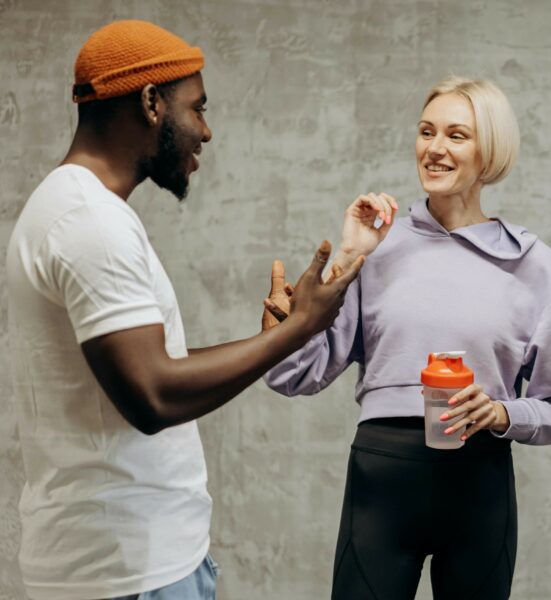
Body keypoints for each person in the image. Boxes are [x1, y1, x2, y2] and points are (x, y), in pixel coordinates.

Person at [6, 20, 361, 600]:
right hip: (127, 573)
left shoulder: (73, 207)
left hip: (123, 563)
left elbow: (145, 365)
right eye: (196, 108)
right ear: (150, 102)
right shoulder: (89, 222)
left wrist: (272, 338)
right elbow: (154, 394)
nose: (206, 130)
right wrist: (299, 328)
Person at [262, 76, 551, 599]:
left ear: (490, 152)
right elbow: (295, 375)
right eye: (426, 131)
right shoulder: (377, 245)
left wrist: (501, 413)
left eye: (456, 135)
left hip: (479, 483)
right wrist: (338, 269)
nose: (434, 149)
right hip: (381, 480)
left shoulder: (533, 263)